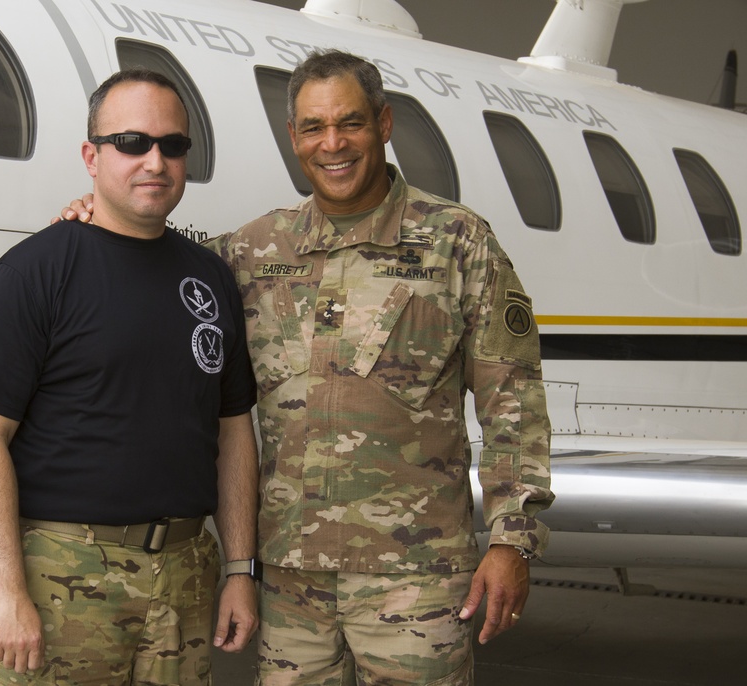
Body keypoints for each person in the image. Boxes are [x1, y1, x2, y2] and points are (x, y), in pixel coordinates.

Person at [62, 51, 554, 685]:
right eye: (314, 128)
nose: (333, 144)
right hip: (291, 580)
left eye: (349, 123)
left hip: (415, 578)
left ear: (384, 124)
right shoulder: (254, 249)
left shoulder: (456, 242)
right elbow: (155, 259)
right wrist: (97, 215)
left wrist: (513, 538)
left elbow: (512, 397)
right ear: (293, 137)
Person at [0, 68, 260, 685]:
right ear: (92, 155)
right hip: (62, 575)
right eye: (132, 142)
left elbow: (233, 432)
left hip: (186, 575)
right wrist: (8, 594)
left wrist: (240, 569)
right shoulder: (34, 272)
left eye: (173, 145)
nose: (155, 161)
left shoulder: (211, 278)